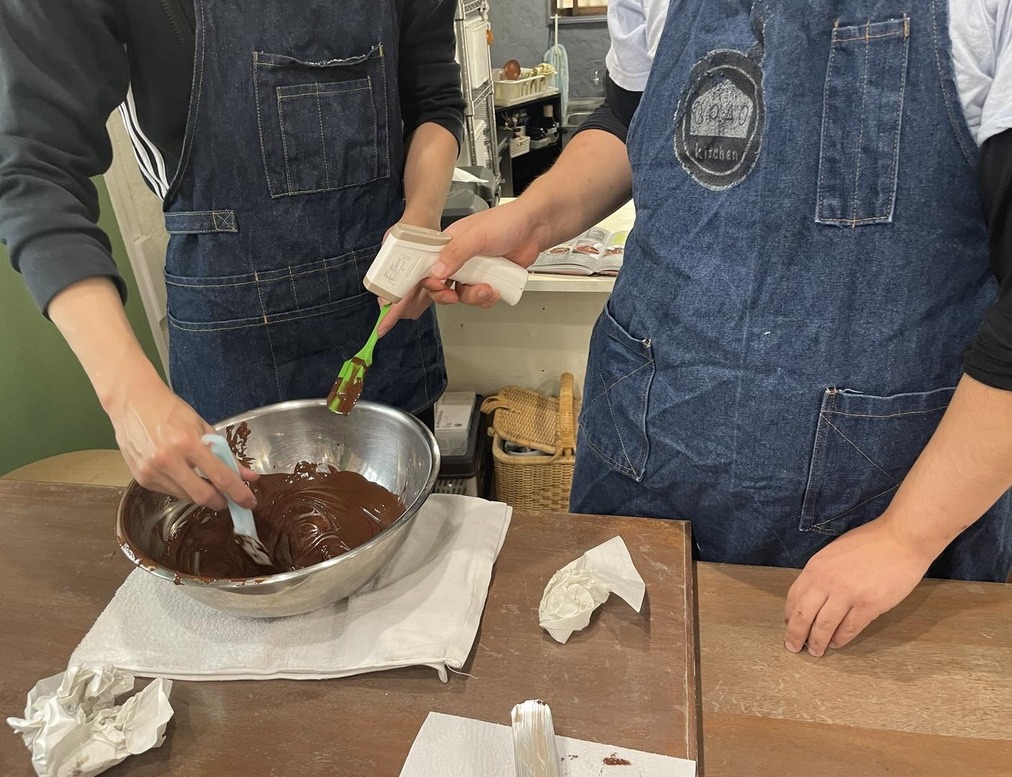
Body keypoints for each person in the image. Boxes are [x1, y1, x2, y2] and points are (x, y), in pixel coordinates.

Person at [410, 0, 1012, 656]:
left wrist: (906, 535)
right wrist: (536, 216)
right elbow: (630, 115)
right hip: (649, 454)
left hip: (877, 512)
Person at [0, 0, 464, 512]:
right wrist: (126, 393)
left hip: (384, 330)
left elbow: (434, 103)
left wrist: (419, 223)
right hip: (236, 348)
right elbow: (34, 170)